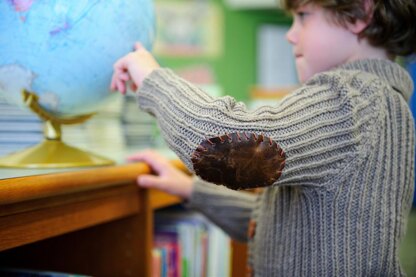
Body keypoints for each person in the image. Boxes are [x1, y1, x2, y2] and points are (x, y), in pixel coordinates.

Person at [111, 0, 416, 275]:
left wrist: (152, 78)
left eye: (303, 16)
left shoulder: (352, 99)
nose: (290, 34)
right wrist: (191, 191)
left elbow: (226, 148)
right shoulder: (382, 105)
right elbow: (281, 229)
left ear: (360, 13)